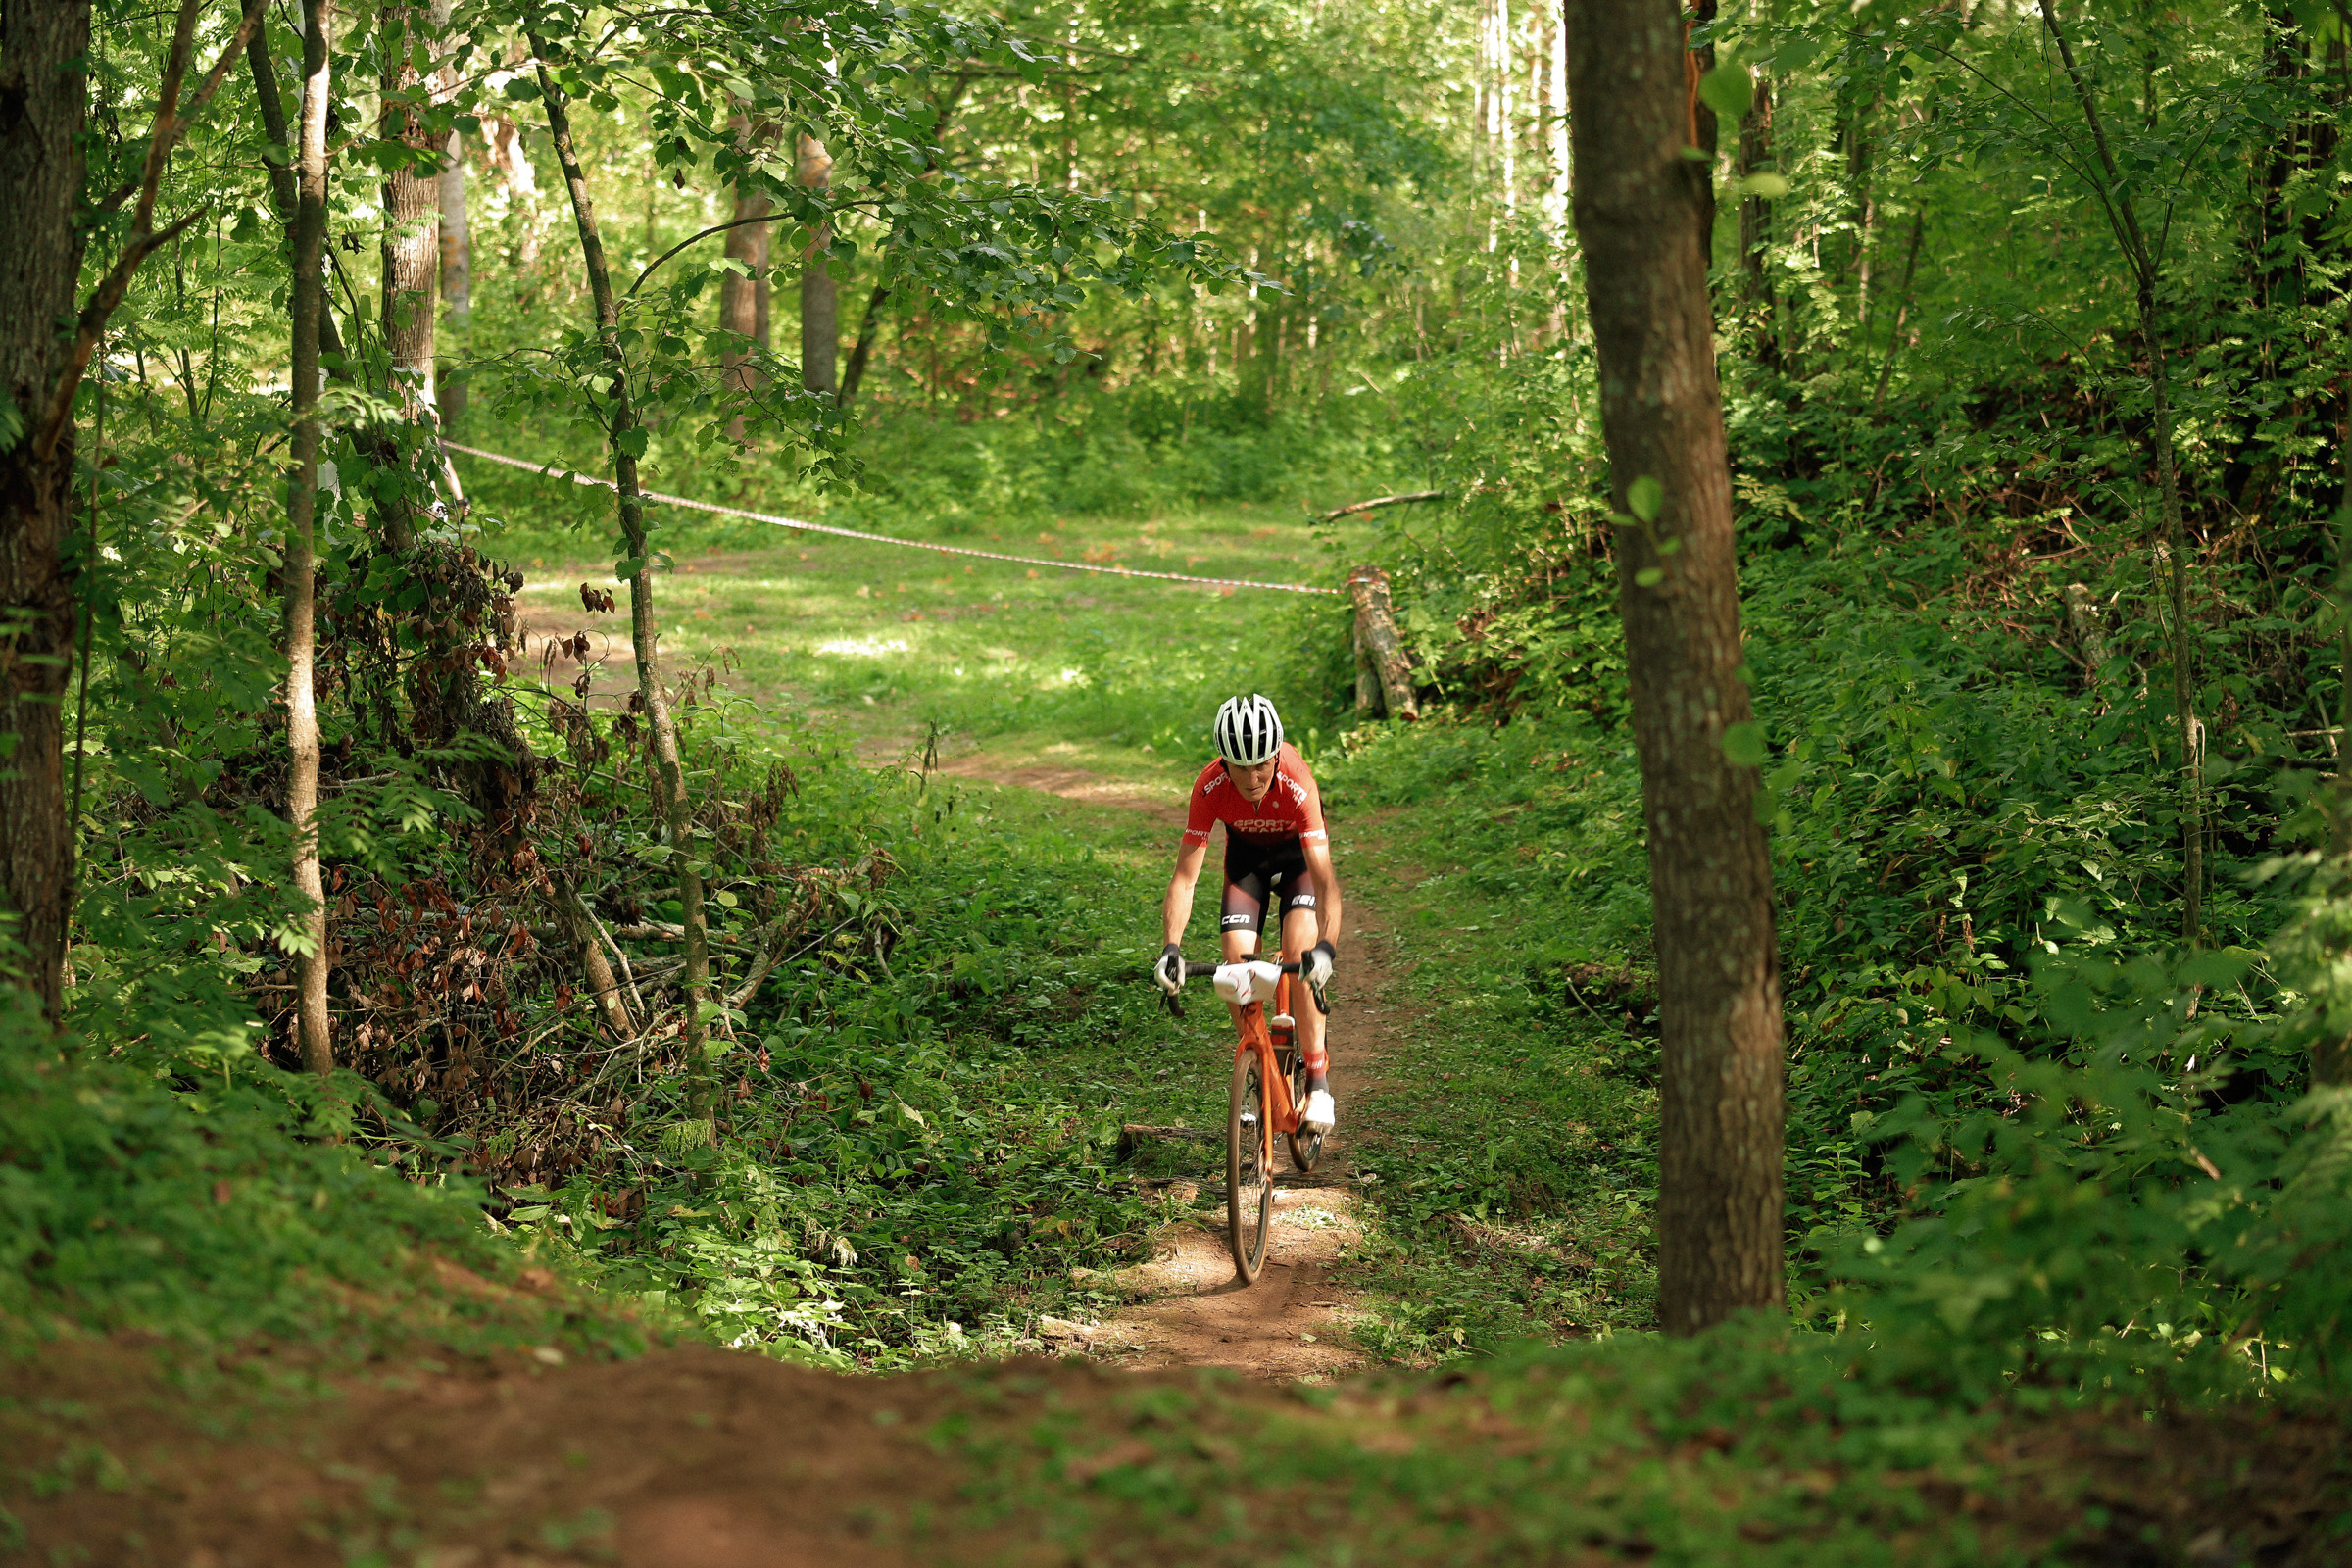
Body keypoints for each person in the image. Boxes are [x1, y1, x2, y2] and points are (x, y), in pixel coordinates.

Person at [1153, 693, 1343, 1133]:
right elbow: (1184, 879)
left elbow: (1325, 883)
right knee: (1237, 964)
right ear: (1224, 763)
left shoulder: (1298, 782)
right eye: (1240, 767)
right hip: (1247, 867)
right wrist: (1171, 948)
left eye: (1261, 765)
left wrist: (1326, 948)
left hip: (1296, 864)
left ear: (1276, 756)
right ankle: (1257, 1072)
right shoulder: (1209, 787)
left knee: (1299, 952)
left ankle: (1318, 1081)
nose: (1253, 778)